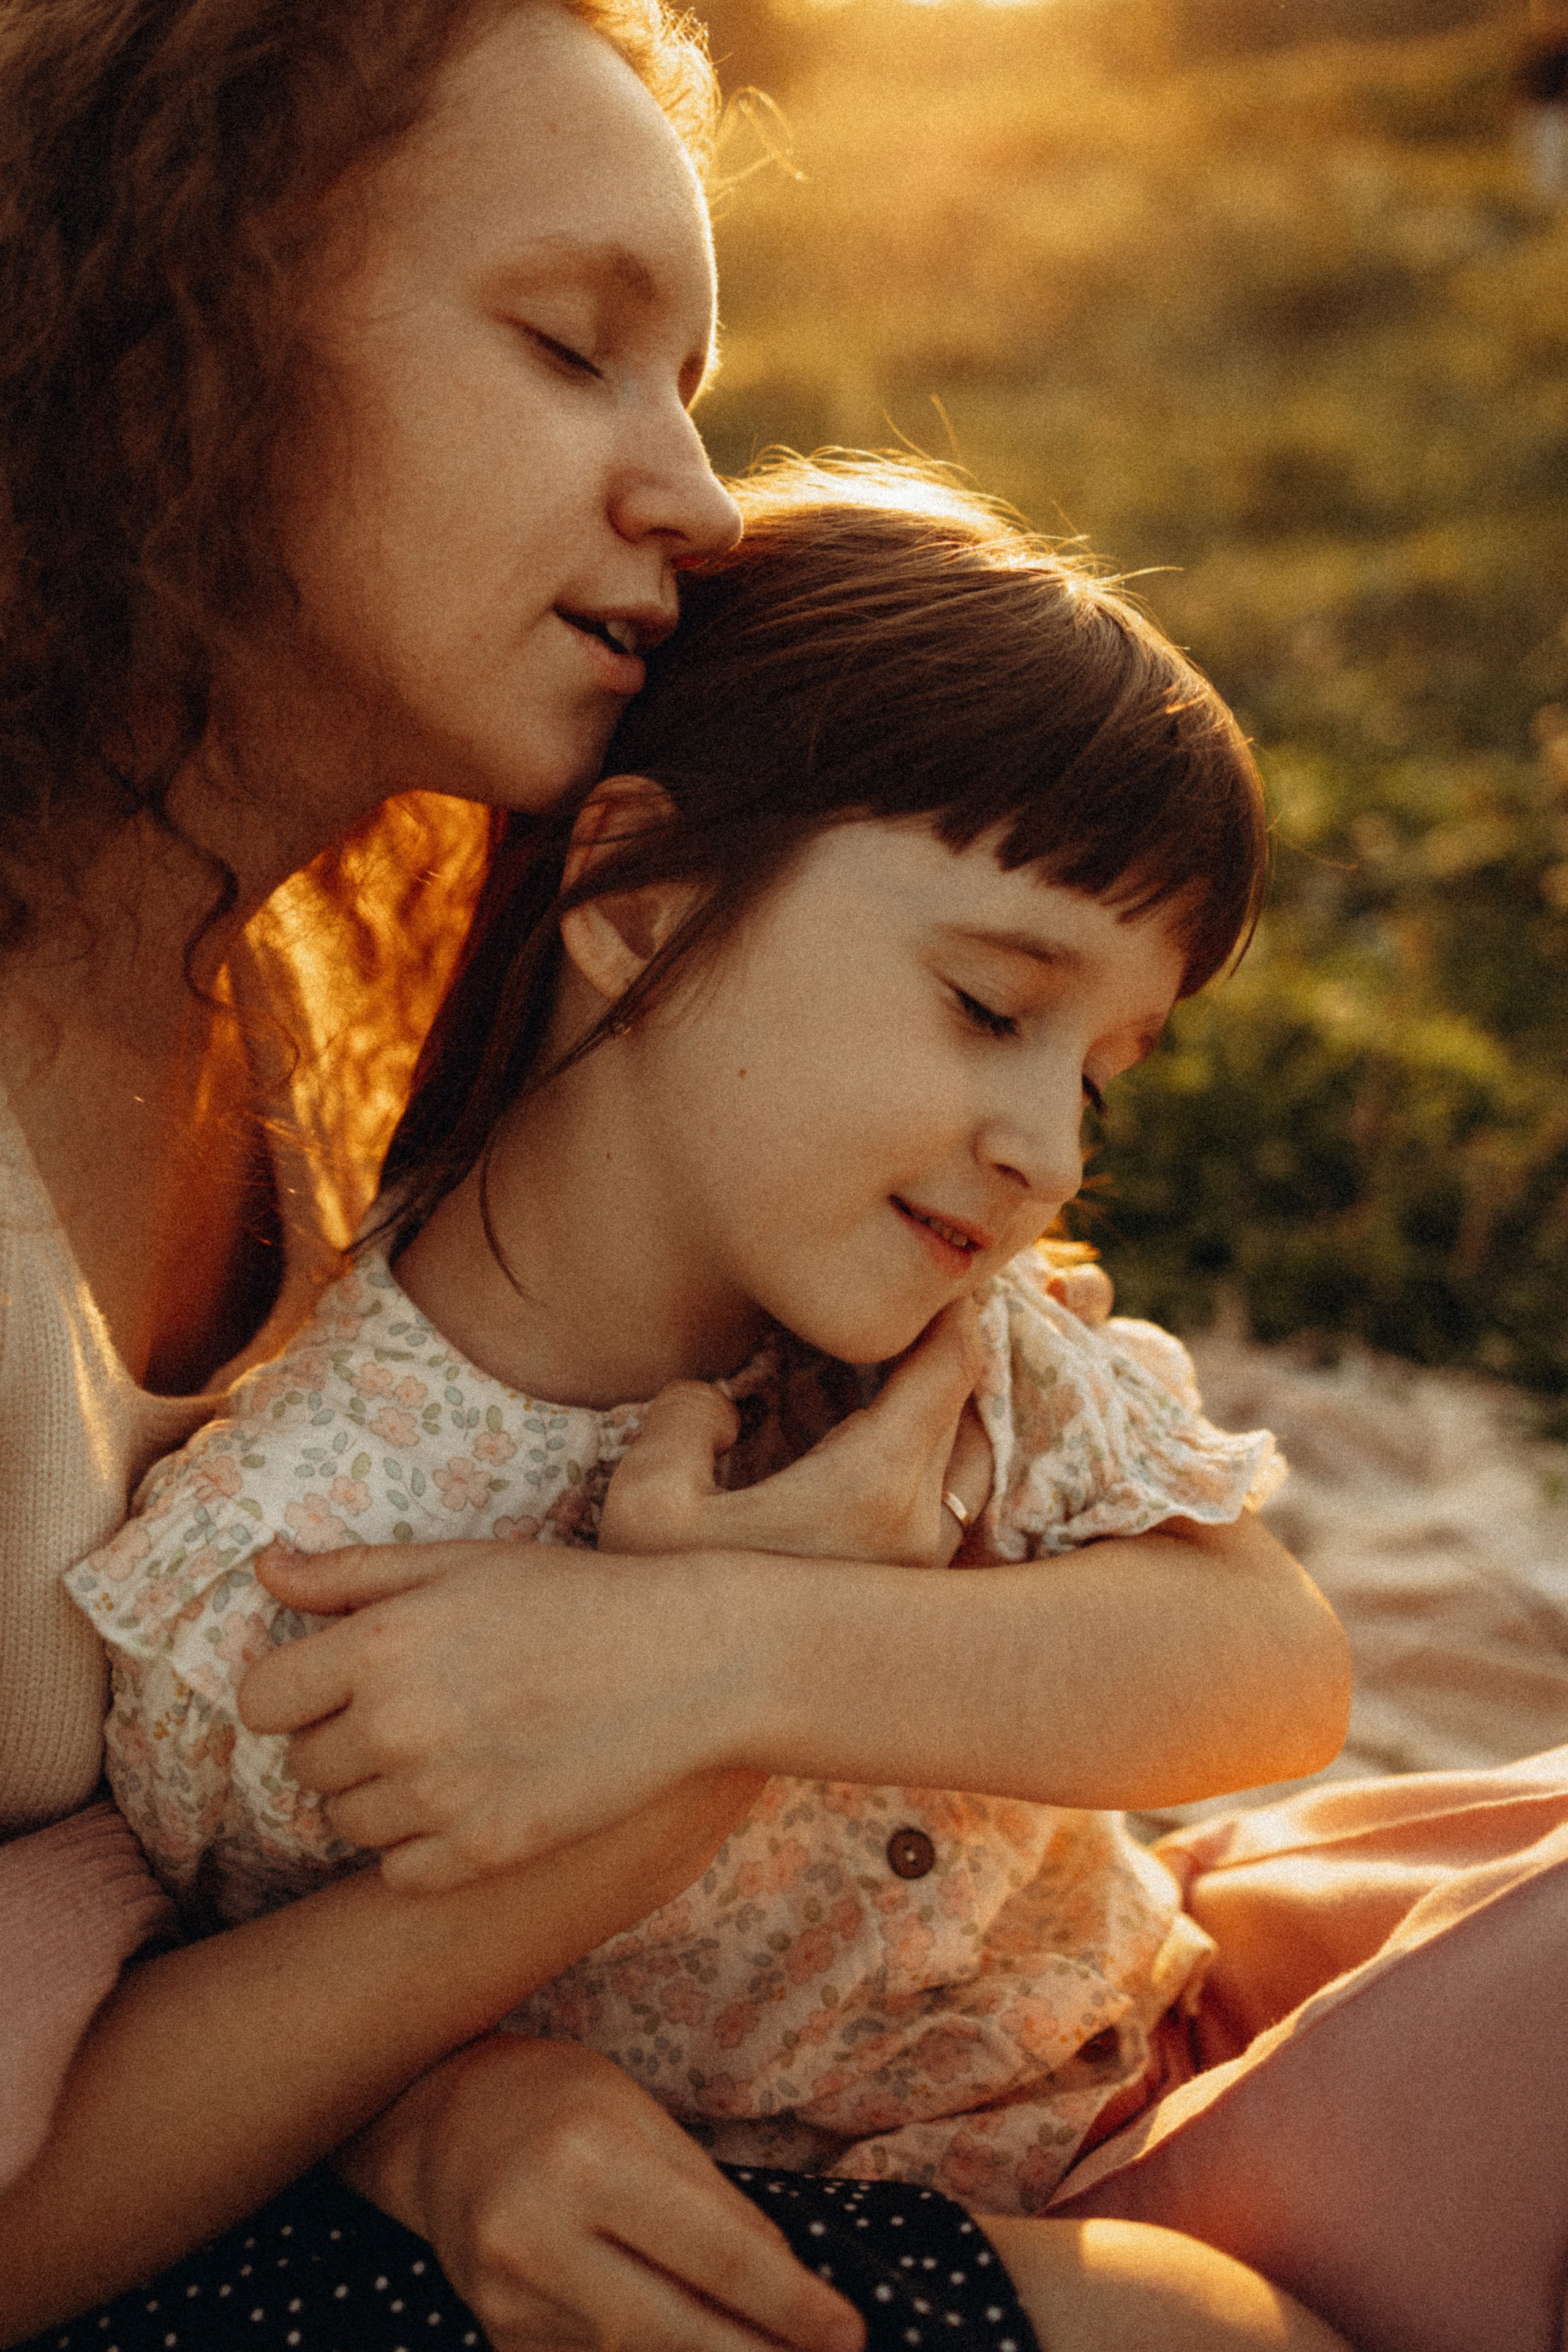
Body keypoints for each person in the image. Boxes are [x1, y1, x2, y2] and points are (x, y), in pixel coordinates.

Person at [61, 456, 1355, 2352]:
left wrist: (723, 1649)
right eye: (996, 1010)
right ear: (639, 899)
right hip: (766, 2262)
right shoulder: (293, 1562)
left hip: (1171, 2068)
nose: (1050, 1150)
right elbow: (276, 2027)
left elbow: (1270, 1668)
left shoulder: (935, 1348)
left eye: (1107, 1073)